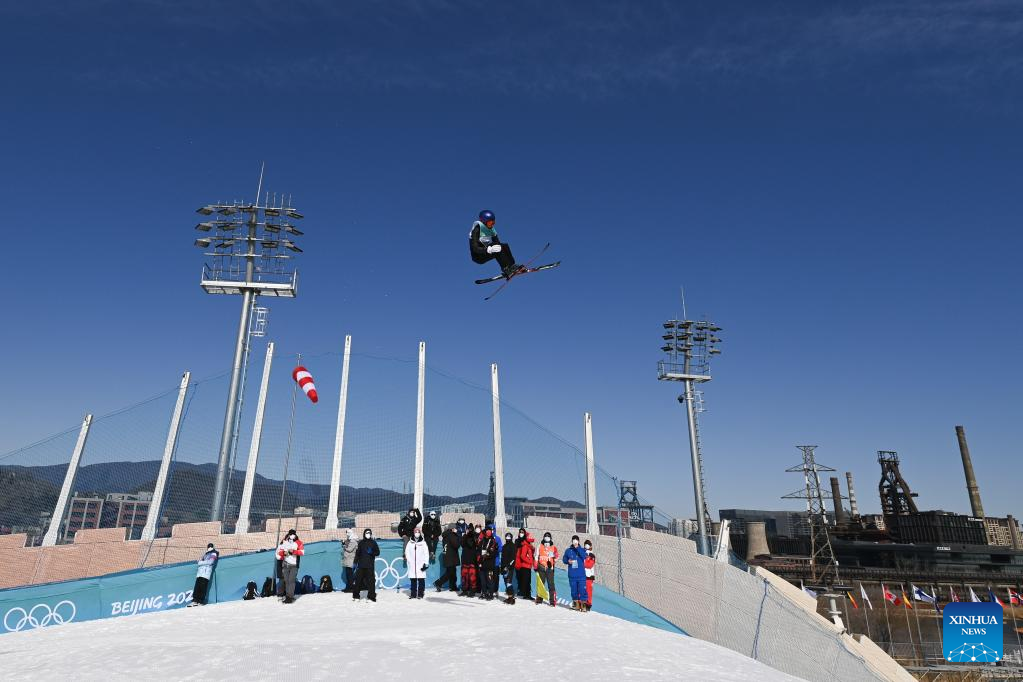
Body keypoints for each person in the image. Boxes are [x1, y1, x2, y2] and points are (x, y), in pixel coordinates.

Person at [468, 210, 522, 279]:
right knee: (497, 249)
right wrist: (488, 249)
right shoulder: (476, 230)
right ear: (484, 221)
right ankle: (506, 269)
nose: (492, 225)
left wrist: (498, 249)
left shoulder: (491, 230)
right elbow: (475, 248)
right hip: (478, 256)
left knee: (504, 246)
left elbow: (498, 244)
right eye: (490, 223)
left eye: (493, 222)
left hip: (487, 251)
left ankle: (512, 266)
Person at [276, 530, 304, 604]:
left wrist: (294, 551)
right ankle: (287, 595)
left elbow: (302, 552)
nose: (292, 536)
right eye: (290, 534)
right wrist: (284, 553)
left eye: (293, 534)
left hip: (294, 565)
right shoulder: (285, 542)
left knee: (291, 581)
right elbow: (279, 552)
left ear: (295, 535)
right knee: (286, 581)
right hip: (285, 565)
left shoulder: (298, 542)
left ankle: (289, 597)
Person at [353, 529, 380, 602]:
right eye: (366, 533)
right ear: (364, 534)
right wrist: (355, 563)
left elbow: (378, 552)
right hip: (361, 565)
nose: (368, 534)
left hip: (369, 566)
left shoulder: (373, 543)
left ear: (371, 534)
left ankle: (371, 597)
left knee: (371, 582)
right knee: (358, 581)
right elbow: (357, 554)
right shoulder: (361, 543)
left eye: (369, 533)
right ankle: (356, 596)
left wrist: (372, 552)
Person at [563, 535, 588, 611]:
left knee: (582, 590)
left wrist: (577, 547)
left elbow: (584, 556)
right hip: (572, 575)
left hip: (581, 575)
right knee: (574, 591)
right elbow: (564, 559)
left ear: (578, 541)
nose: (575, 541)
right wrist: (568, 561)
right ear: (572, 541)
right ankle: (576, 605)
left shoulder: (582, 550)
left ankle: (583, 605)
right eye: (573, 540)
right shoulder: (568, 550)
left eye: (576, 540)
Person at [189, 542, 219, 607]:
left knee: (203, 587)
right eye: (209, 546)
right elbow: (200, 561)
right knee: (197, 587)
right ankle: (195, 601)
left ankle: (200, 601)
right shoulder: (205, 554)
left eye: (210, 546)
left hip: (206, 573)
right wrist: (201, 562)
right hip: (200, 573)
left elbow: (211, 562)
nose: (209, 548)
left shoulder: (214, 553)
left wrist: (201, 563)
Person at [534, 532, 559, 607]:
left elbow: (557, 557)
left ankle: (552, 601)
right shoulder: (539, 546)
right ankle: (539, 599)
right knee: (540, 584)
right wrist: (535, 566)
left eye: (548, 537)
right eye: (546, 536)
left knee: (551, 585)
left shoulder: (553, 547)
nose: (547, 538)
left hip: (549, 568)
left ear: (550, 538)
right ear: (543, 537)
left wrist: (553, 558)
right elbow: (536, 556)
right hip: (541, 567)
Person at [404, 527, 430, 599]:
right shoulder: (410, 543)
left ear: (420, 533)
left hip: (421, 564)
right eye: (416, 532)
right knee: (413, 580)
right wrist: (409, 560)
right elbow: (407, 552)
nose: (417, 533)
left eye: (418, 532)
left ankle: (421, 594)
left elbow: (426, 553)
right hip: (412, 565)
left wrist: (426, 563)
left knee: (421, 579)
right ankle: (413, 594)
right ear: (413, 533)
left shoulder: (423, 543)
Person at [434, 526, 461, 592]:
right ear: (452, 529)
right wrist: (457, 536)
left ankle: (453, 586)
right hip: (451, 557)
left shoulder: (446, 535)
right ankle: (438, 583)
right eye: (455, 528)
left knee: (453, 572)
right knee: (450, 573)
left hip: (447, 556)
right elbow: (456, 545)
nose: (456, 529)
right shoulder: (451, 535)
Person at [477, 526, 498, 600]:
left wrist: (487, 555)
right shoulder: (482, 541)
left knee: (489, 580)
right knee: (482, 580)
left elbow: (494, 553)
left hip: (489, 564)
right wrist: (479, 557)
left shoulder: (493, 541)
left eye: (489, 530)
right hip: (482, 564)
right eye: (487, 530)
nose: (488, 532)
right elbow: (478, 551)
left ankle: (491, 594)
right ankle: (484, 593)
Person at [514, 529, 535, 601]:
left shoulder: (528, 545)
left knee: (527, 581)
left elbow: (530, 554)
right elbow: (522, 556)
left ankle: (527, 594)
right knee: (526, 581)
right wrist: (530, 561)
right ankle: (526, 594)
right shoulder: (525, 545)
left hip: (527, 566)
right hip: (525, 565)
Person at [459, 525, 479, 597]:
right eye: (468, 529)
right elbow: (462, 544)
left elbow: (472, 544)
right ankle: (464, 590)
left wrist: (472, 535)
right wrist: (465, 535)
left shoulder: (475, 536)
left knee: (472, 576)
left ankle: (472, 591)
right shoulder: (465, 536)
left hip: (472, 559)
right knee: (464, 576)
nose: (469, 531)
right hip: (465, 558)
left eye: (470, 529)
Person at [500, 531, 517, 604]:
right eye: (507, 536)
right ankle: (510, 597)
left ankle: (511, 598)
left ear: (511, 538)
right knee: (505, 582)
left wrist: (508, 566)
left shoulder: (513, 546)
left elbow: (513, 559)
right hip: (504, 567)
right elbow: (502, 558)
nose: (508, 538)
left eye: (509, 537)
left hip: (509, 568)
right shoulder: (504, 546)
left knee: (508, 582)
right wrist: (502, 567)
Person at [341, 528, 358, 593]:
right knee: (348, 575)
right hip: (348, 560)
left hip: (350, 560)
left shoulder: (353, 541)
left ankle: (350, 588)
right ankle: (348, 587)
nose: (347, 534)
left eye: (348, 533)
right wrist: (344, 544)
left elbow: (349, 549)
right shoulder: (350, 541)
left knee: (350, 575)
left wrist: (344, 545)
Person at [583, 539, 596, 612]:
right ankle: (582, 604)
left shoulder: (592, 555)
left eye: (588, 544)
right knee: (581, 590)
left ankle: (588, 605)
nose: (586, 546)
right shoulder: (582, 553)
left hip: (589, 577)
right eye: (585, 544)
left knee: (588, 591)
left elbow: (589, 565)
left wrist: (582, 563)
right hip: (582, 575)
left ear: (590, 546)